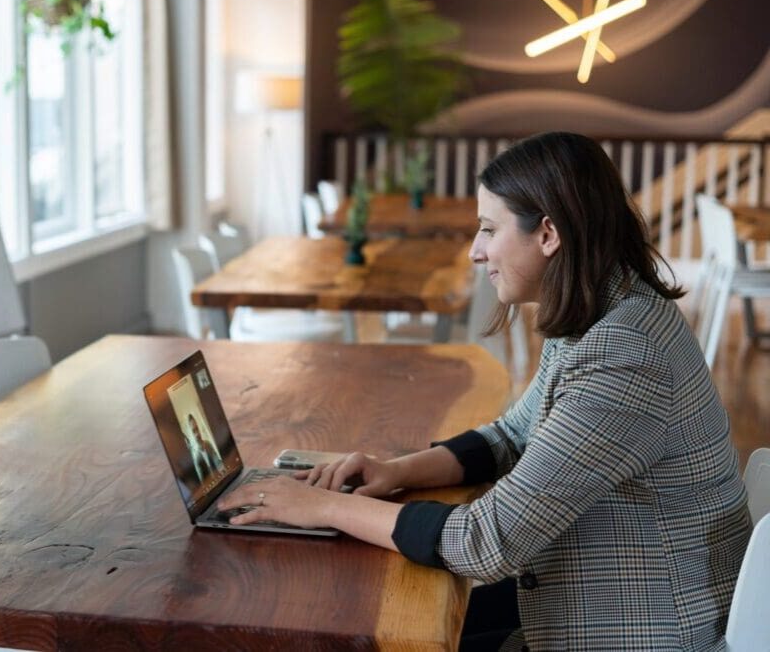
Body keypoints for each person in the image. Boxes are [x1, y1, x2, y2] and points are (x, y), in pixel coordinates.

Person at [218, 132, 752, 651]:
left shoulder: (627, 352)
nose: (475, 251)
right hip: (596, 598)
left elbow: (486, 542)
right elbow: (511, 436)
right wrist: (395, 471)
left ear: (548, 234)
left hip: (643, 629)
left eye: (489, 229)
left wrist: (322, 509)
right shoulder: (605, 312)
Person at [185, 413, 223, 483]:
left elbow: (218, 463)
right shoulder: (196, 459)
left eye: (197, 429)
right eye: (194, 431)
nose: (197, 434)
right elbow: (202, 482)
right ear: (191, 435)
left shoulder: (208, 444)